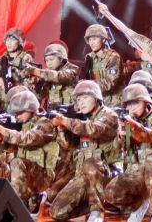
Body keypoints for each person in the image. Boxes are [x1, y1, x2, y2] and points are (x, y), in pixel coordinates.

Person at [48, 80, 119, 222]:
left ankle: (97, 212)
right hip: (83, 175)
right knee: (56, 209)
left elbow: (93, 129)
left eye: (85, 98)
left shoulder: (109, 116)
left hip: (105, 174)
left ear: (97, 98)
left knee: (91, 164)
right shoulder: (81, 119)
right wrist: (62, 129)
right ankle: (88, 210)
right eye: (79, 100)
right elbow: (69, 145)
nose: (81, 103)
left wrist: (65, 121)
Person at [104, 83, 152, 222]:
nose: (132, 108)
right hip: (136, 173)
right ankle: (140, 206)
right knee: (111, 192)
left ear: (146, 102)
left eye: (136, 102)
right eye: (128, 104)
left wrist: (133, 126)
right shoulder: (126, 123)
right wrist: (121, 137)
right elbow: (117, 151)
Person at [0, 89, 59, 216]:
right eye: (16, 114)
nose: (17, 116)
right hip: (29, 174)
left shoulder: (45, 123)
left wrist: (3, 130)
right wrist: (2, 140)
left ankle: (16, 206)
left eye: (20, 112)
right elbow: (14, 149)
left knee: (16, 162)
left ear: (31, 108)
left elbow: (29, 138)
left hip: (44, 175)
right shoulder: (25, 125)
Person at [99, 4, 152, 108]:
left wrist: (148, 58)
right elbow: (126, 30)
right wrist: (107, 13)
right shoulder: (148, 45)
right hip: (145, 96)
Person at [0, 29, 36, 110]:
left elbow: (31, 86)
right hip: (1, 105)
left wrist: (14, 83)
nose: (9, 43)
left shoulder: (25, 60)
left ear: (20, 42)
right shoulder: (1, 61)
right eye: (7, 40)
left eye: (13, 39)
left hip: (18, 105)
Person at [81, 24, 125, 106]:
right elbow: (85, 77)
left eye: (94, 39)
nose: (92, 43)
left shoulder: (113, 57)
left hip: (113, 102)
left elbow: (110, 82)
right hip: (97, 101)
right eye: (90, 40)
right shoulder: (89, 57)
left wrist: (88, 85)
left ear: (103, 39)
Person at [27, 42, 79, 110]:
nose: (49, 63)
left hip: (70, 111)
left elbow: (60, 77)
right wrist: (35, 83)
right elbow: (38, 96)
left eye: (51, 59)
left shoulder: (73, 69)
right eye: (47, 60)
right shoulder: (46, 74)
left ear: (61, 59)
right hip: (52, 111)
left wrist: (35, 71)